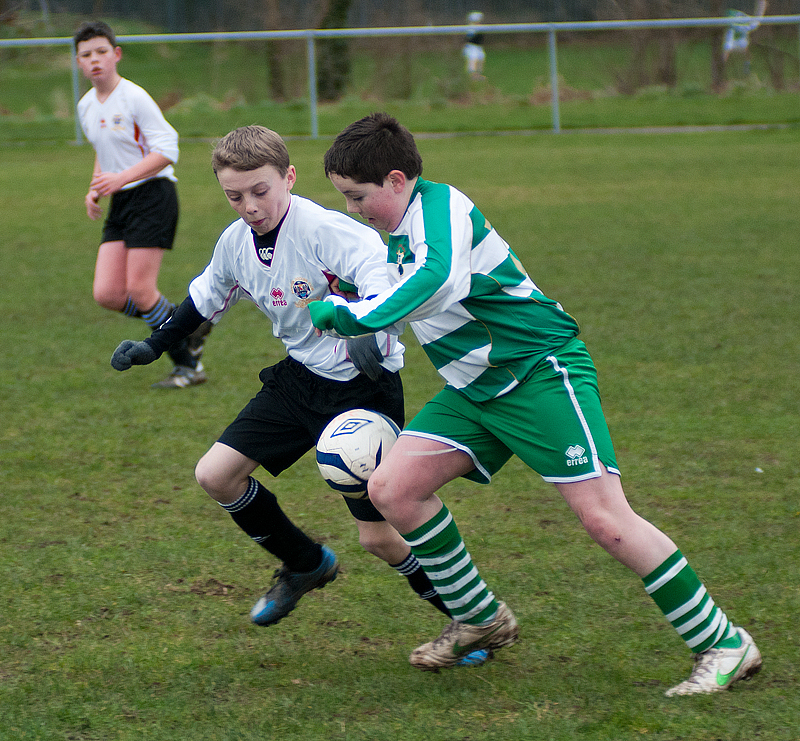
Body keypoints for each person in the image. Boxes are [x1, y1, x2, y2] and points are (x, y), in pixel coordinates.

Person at [309, 112, 762, 696]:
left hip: (538, 373)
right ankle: (480, 618)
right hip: (475, 390)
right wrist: (353, 297)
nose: (352, 209)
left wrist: (350, 317)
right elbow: (401, 291)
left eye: (357, 196)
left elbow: (437, 281)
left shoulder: (442, 210)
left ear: (397, 180)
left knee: (605, 518)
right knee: (394, 489)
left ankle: (723, 642)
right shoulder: (399, 231)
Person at [109, 125, 489, 665]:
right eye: (234, 196)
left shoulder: (325, 230)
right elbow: (204, 298)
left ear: (288, 177)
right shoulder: (235, 243)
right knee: (215, 475)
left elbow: (384, 276)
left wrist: (366, 327)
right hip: (299, 380)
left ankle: (468, 620)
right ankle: (305, 563)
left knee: (379, 538)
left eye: (260, 191)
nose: (249, 206)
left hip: (363, 389)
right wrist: (154, 345)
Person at [74, 20, 209, 389]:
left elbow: (167, 149)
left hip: (153, 195)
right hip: (121, 200)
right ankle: (186, 325)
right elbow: (104, 152)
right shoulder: (86, 106)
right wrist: (95, 188)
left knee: (140, 290)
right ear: (78, 62)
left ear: (116, 54)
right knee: (107, 293)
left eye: (101, 51)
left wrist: (121, 178)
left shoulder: (133, 97)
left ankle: (188, 367)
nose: (94, 59)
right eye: (86, 55)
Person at [462, 11, 486, 79]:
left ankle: (478, 75)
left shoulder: (480, 27)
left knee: (481, 59)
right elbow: (471, 37)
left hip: (478, 47)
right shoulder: (471, 28)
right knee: (473, 60)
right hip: (472, 47)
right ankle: (473, 76)